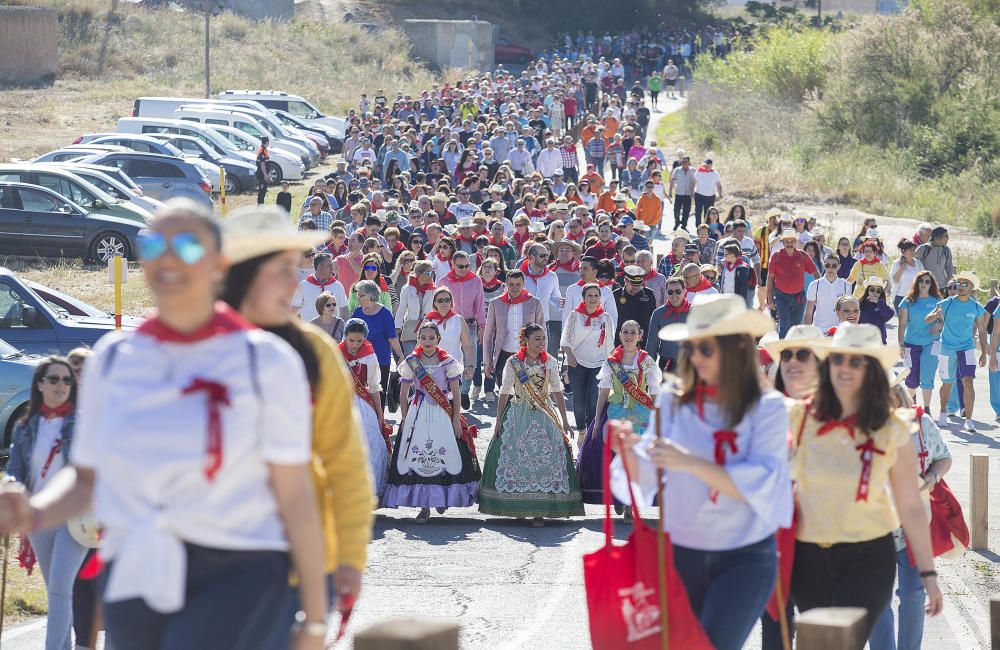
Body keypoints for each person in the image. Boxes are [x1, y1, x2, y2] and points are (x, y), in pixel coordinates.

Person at [0, 200, 329, 648]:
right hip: (138, 574)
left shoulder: (266, 361)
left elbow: (295, 495)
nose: (169, 258)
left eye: (188, 246)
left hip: (239, 574)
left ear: (219, 264)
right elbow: (89, 478)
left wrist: (313, 619)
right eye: (156, 244)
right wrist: (34, 512)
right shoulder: (115, 359)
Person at [218, 206, 374, 649]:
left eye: (296, 269)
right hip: (207, 561)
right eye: (282, 270)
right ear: (243, 273)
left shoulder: (314, 352)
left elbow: (345, 462)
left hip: (295, 566)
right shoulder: (200, 346)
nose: (295, 283)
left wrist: (350, 556)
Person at [610, 295, 791, 650]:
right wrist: (629, 452)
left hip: (746, 554)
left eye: (706, 348)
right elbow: (649, 474)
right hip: (682, 552)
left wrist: (689, 462)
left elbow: (763, 482)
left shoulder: (767, 406)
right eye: (691, 347)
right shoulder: (672, 401)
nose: (694, 357)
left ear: (736, 349)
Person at [789, 324, 943, 638]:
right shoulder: (798, 417)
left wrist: (928, 573)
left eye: (856, 361)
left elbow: (911, 505)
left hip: (869, 557)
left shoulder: (892, 428)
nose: (845, 368)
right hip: (806, 558)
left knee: (843, 642)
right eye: (838, 359)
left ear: (871, 369)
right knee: (821, 644)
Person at [6, 356, 88, 650]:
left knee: (59, 589)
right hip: (39, 516)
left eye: (67, 380)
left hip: (75, 518)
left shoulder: (81, 424)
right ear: (40, 384)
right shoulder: (25, 426)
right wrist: (11, 486)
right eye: (54, 379)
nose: (61, 385)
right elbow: (14, 466)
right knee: (55, 590)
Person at [869, 382, 952, 650]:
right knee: (877, 600)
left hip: (912, 528)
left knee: (914, 595)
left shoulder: (921, 424)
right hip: (873, 530)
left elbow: (944, 457)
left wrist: (931, 477)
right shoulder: (860, 427)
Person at [479, 323, 583, 525]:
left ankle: (539, 510)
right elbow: (505, 391)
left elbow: (557, 392)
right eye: (537, 339)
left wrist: (564, 421)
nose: (541, 343)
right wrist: (499, 420)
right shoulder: (513, 362)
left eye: (544, 339)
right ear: (525, 340)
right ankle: (518, 505)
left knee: (547, 458)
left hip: (545, 413)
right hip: (518, 413)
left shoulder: (550, 362)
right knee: (516, 457)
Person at [384, 321, 481, 523]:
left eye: (431, 337)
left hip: (442, 412)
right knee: (417, 457)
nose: (427, 341)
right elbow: (403, 393)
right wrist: (404, 418)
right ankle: (424, 506)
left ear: (438, 339)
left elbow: (455, 392)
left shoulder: (447, 361)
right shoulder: (412, 362)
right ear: (418, 339)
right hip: (418, 412)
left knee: (445, 454)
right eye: (423, 337)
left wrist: (456, 418)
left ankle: (442, 497)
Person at [579, 319, 662, 509]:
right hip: (616, 411)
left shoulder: (647, 362)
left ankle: (631, 502)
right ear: (620, 335)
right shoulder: (611, 362)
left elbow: (656, 392)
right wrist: (597, 419)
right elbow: (603, 391)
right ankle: (619, 497)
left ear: (640, 336)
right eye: (625, 332)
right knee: (612, 455)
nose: (629, 336)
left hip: (641, 412)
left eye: (633, 332)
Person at [926, 271, 989, 432]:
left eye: (965, 284)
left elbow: (982, 331)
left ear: (972, 288)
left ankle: (968, 419)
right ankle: (942, 413)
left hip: (967, 348)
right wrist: (935, 315)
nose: (960, 287)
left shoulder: (976, 307)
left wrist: (983, 352)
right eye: (958, 284)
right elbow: (928, 319)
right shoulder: (947, 302)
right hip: (947, 347)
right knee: (947, 383)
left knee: (968, 380)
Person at [339, 318, 390, 499]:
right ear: (345, 337)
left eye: (359, 341)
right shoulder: (336, 353)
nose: (354, 344)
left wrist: (379, 414)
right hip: (340, 405)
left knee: (370, 445)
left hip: (363, 404)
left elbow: (374, 387)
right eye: (351, 340)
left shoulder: (369, 355)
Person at [561, 283, 617, 437]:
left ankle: (591, 433)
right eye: (589, 295)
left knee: (594, 401)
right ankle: (581, 431)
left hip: (598, 364)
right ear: (583, 298)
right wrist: (569, 355)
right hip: (576, 363)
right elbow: (565, 339)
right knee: (579, 401)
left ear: (600, 298)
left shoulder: (605, 317)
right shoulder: (575, 315)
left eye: (596, 295)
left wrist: (611, 364)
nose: (593, 298)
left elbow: (610, 344)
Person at [483, 271, 546, 402]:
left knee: (526, 398)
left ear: (524, 284)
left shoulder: (534, 302)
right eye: (511, 284)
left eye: (518, 284)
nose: (515, 288)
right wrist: (487, 362)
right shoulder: (496, 303)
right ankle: (508, 422)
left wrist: (543, 358)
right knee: (507, 398)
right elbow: (488, 335)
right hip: (504, 356)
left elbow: (542, 333)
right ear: (506, 284)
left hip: (528, 356)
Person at [352, 279, 404, 402]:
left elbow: (392, 338)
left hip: (381, 361)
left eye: (361, 295)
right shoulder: (357, 312)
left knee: (379, 396)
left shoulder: (385, 313)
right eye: (358, 295)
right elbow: (349, 336)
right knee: (362, 397)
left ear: (371, 295)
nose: (358, 298)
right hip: (360, 361)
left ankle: (379, 420)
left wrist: (401, 356)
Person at [898, 270, 943, 411]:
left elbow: (943, 321)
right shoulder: (908, 300)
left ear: (931, 284)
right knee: (911, 381)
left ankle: (927, 409)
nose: (924, 284)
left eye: (927, 281)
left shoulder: (937, 301)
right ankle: (912, 399)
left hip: (932, 343)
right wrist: (901, 344)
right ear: (917, 283)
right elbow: (902, 323)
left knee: (927, 375)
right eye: (921, 281)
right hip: (911, 343)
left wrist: (938, 326)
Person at [425, 287, 475, 408]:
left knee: (452, 407)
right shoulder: (429, 320)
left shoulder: (459, 320)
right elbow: (419, 345)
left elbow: (467, 346)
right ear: (434, 303)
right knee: (433, 406)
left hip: (453, 370)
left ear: (452, 303)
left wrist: (470, 366)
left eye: (447, 300)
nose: (444, 303)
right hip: (432, 369)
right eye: (440, 300)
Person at [766, 228, 818, 338]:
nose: (789, 244)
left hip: (799, 296)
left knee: (795, 326)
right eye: (787, 242)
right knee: (784, 324)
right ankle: (783, 350)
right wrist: (770, 299)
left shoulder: (802, 255)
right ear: (783, 242)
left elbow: (815, 273)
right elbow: (770, 279)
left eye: (792, 241)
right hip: (781, 296)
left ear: (795, 242)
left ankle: (793, 349)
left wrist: (821, 288)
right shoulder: (776, 256)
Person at [394, 260, 436, 356]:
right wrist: (397, 328)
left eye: (433, 272)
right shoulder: (407, 288)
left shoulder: (434, 290)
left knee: (426, 359)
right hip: (410, 329)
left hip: (428, 328)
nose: (432, 275)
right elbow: (401, 310)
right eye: (429, 273)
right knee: (412, 359)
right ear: (420, 274)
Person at [293, 252, 348, 322]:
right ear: (320, 267)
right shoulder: (304, 285)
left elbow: (344, 309)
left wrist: (345, 329)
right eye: (329, 265)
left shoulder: (337, 285)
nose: (332, 268)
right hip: (310, 330)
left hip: (331, 331)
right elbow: (294, 308)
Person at [805, 254, 852, 334]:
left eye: (834, 266)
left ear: (839, 267)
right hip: (818, 330)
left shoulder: (846, 285)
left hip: (839, 331)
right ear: (824, 265)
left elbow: (847, 311)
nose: (830, 268)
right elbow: (809, 313)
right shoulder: (814, 285)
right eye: (827, 265)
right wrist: (807, 333)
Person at [613, 266, 657, 348]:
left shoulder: (648, 294)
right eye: (633, 284)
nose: (636, 287)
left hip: (643, 342)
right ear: (625, 280)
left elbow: (653, 318)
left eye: (639, 284)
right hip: (621, 342)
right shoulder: (616, 295)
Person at [859, 276, 895, 344]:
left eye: (878, 291)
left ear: (881, 293)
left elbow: (889, 315)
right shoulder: (860, 304)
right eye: (872, 289)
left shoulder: (882, 304)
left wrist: (879, 302)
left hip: (879, 342)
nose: (875, 293)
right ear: (867, 291)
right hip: (863, 342)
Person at [890, 239, 924, 312]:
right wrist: (902, 268)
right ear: (903, 251)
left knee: (913, 321)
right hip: (900, 297)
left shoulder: (918, 263)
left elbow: (922, 279)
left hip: (915, 297)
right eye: (910, 250)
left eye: (914, 249)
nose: (913, 252)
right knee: (902, 322)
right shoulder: (896, 264)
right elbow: (894, 280)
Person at [692, 159, 723, 226]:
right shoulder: (699, 172)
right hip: (699, 194)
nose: (706, 166)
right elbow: (693, 182)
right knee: (698, 211)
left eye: (708, 165)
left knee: (708, 212)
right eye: (705, 165)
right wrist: (692, 192)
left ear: (711, 165)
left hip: (710, 196)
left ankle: (706, 226)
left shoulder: (715, 174)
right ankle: (698, 226)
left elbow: (718, 185)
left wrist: (720, 194)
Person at [256, 136, 270, 205]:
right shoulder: (262, 151)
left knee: (263, 190)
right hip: (261, 174)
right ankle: (260, 205)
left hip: (262, 174)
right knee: (262, 191)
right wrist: (265, 175)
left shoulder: (263, 149)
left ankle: (261, 205)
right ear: (267, 142)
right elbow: (262, 164)